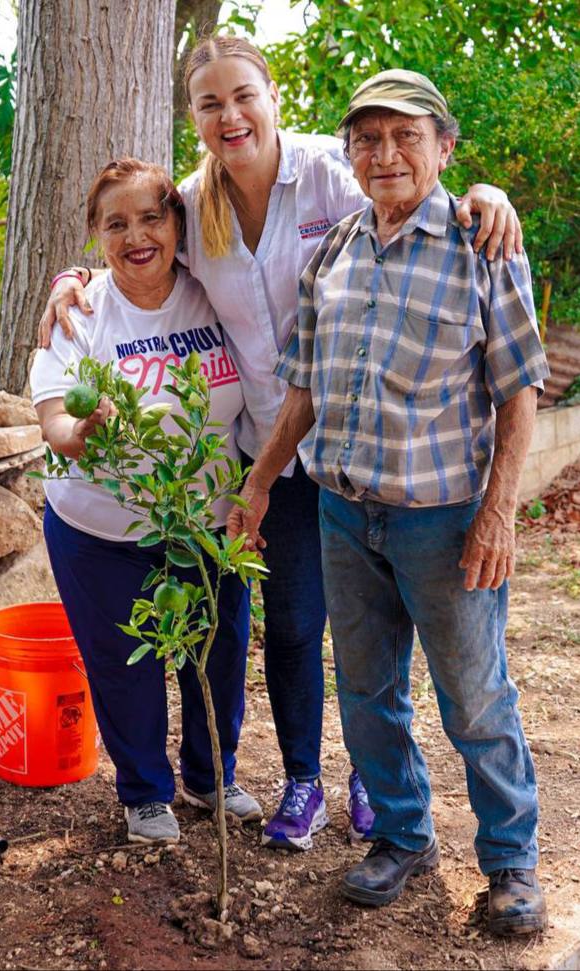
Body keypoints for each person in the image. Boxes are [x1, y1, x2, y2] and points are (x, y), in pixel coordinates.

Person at [38, 35, 523, 852]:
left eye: (243, 96)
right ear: (193, 117)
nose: (230, 116)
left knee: (391, 629)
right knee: (298, 626)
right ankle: (305, 778)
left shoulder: (331, 174)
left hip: (369, 450)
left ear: (270, 96)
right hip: (274, 452)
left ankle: (381, 787)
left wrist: (485, 191)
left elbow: (409, 181)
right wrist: (70, 281)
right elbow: (132, 254)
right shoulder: (194, 207)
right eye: (209, 103)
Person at [229, 69, 548, 935]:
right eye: (368, 138)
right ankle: (403, 836)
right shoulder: (334, 252)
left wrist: (499, 511)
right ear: (350, 156)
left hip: (444, 519)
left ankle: (511, 862)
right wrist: (259, 483)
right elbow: (301, 390)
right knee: (367, 689)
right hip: (342, 511)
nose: (387, 153)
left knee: (475, 699)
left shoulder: (483, 245)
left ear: (444, 148)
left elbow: (519, 391)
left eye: (407, 135)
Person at [30, 157, 258, 845]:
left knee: (218, 654)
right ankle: (145, 791)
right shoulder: (81, 312)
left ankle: (211, 775)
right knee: (122, 660)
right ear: (96, 236)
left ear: (176, 223)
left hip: (207, 523)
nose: (137, 236)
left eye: (151, 217)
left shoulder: (212, 290)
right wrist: (84, 431)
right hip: (97, 528)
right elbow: (52, 424)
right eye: (116, 224)